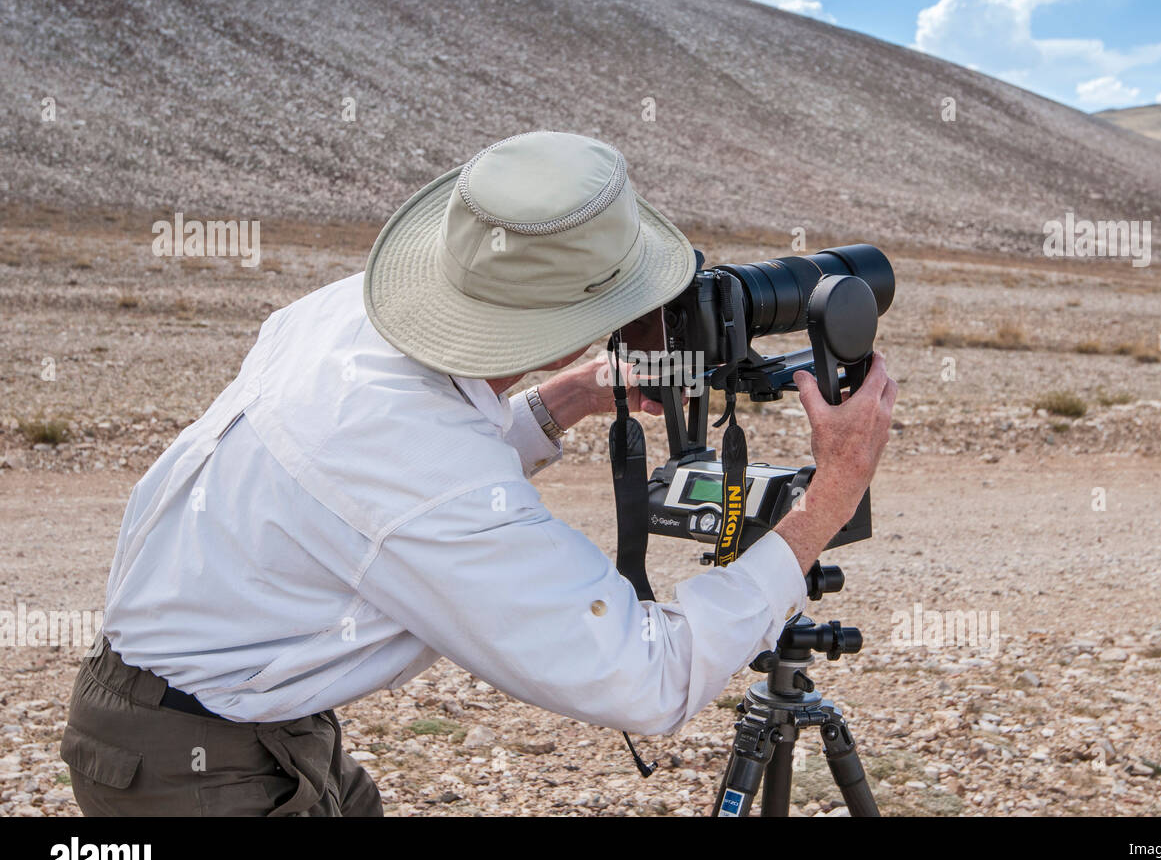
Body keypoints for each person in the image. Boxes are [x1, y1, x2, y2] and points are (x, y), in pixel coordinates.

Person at [61, 130, 897, 815]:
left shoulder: (343, 310)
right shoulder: (416, 463)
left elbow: (403, 467)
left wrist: (567, 397)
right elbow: (649, 677)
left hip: (209, 711)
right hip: (193, 766)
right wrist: (832, 492)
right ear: (578, 322)